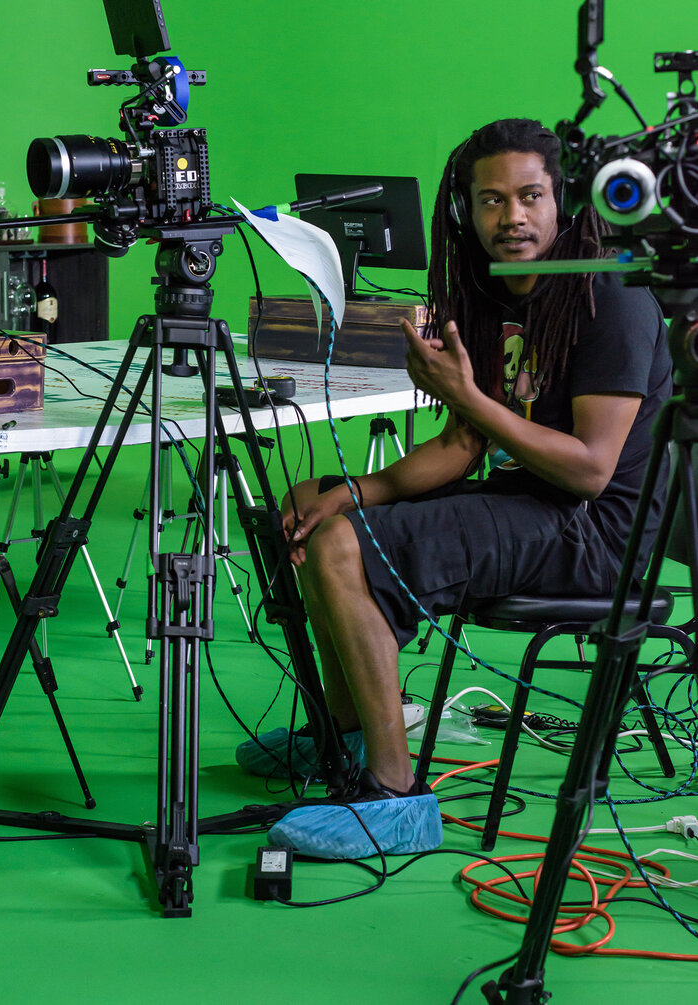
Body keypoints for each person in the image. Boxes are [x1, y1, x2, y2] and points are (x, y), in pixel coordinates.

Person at [236, 118, 672, 859]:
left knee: (341, 547)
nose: (512, 217)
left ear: (561, 199)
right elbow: (461, 447)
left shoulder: (611, 294)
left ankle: (395, 794)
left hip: (599, 533)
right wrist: (354, 489)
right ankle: (344, 738)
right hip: (524, 503)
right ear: (465, 209)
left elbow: (590, 470)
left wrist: (466, 395)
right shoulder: (488, 291)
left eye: (530, 196)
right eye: (491, 200)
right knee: (313, 508)